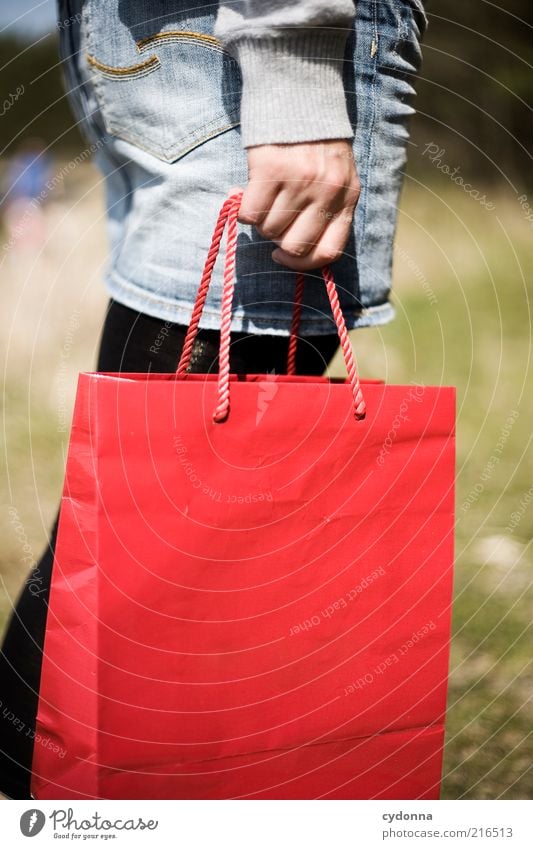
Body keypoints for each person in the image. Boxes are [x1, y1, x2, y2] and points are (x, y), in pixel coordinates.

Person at [0, 0, 428, 798]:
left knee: (127, 539)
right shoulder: (284, 78)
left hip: (166, 51)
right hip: (254, 70)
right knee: (145, 553)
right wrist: (294, 73)